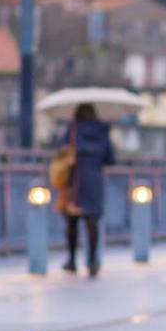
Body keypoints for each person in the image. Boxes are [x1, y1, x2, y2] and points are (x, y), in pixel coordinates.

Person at [56, 103, 115, 277]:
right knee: (92, 222)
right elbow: (110, 158)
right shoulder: (102, 132)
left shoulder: (73, 130)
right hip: (94, 180)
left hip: (75, 179)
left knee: (72, 221)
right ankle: (92, 261)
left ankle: (72, 260)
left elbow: (62, 152)